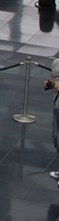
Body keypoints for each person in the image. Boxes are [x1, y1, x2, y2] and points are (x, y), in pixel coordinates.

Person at [49, 56, 59, 186]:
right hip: (57, 107)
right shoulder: (56, 63)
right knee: (56, 138)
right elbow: (53, 82)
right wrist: (51, 85)